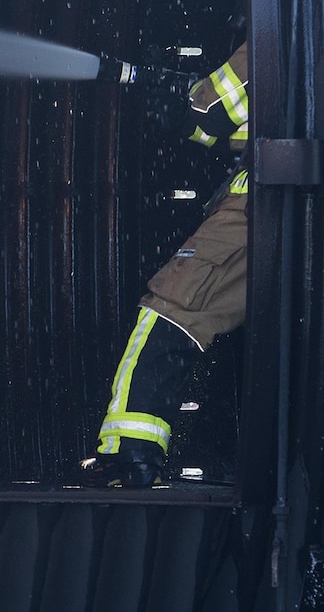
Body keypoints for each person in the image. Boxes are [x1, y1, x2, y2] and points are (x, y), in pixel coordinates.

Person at [83, 38, 251, 489]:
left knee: (172, 307)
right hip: (300, 202)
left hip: (259, 202)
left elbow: (211, 115)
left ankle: (128, 451)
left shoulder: (284, 27)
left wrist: (163, 88)